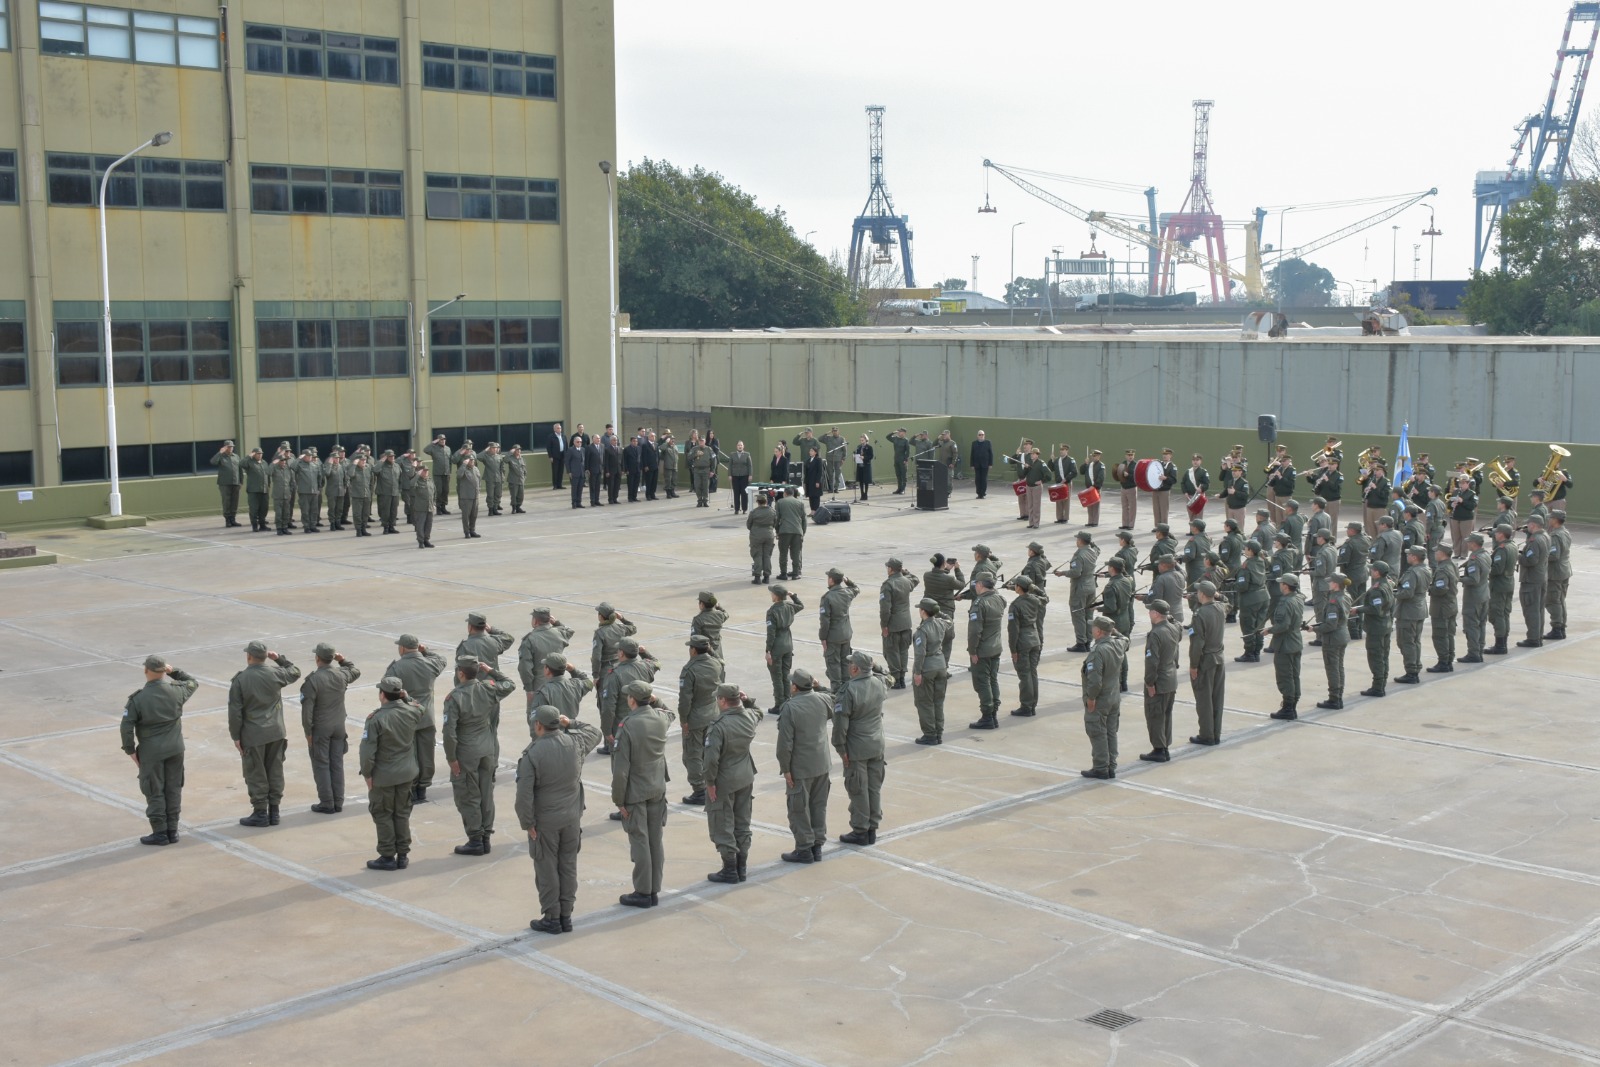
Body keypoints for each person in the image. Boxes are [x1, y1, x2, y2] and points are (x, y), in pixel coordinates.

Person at [517, 706, 602, 933]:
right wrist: (570, 723)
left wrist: (527, 823)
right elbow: (595, 732)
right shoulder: (575, 743)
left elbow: (523, 795)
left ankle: (552, 917)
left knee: (547, 868)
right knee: (568, 865)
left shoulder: (532, 753)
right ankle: (566, 916)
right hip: (572, 818)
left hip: (546, 821)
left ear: (538, 725)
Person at [440, 656, 516, 857]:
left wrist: (451, 758)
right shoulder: (488, 688)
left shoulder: (454, 697)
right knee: (486, 793)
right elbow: (510, 684)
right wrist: (491, 670)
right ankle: (486, 838)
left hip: (467, 752)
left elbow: (449, 732)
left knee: (468, 795)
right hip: (487, 748)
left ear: (460, 673)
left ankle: (475, 839)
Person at [121, 654, 199, 845]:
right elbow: (192, 682)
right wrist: (175, 672)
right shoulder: (177, 691)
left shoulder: (138, 699)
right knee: (173, 788)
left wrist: (130, 749)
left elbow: (126, 726)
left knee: (154, 789)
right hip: (175, 748)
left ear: (146, 670)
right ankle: (173, 831)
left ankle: (160, 833)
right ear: (164, 671)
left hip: (151, 751)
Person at [612, 679, 673, 908]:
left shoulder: (628, 726)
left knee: (640, 841)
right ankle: (654, 889)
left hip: (636, 792)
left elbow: (621, 770)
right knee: (655, 840)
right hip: (657, 787)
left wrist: (618, 799)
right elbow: (670, 712)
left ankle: (643, 892)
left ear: (632, 700)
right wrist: (655, 700)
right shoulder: (660, 718)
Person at [228, 642, 302, 827]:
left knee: (256, 772)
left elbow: (235, 711)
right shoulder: (276, 673)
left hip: (253, 734)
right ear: (264, 656)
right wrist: (279, 659)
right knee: (275, 770)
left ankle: (260, 813)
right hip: (276, 731)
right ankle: (274, 812)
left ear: (249, 656)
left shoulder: (241, 680)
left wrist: (235, 736)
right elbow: (294, 671)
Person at [361, 677, 424, 871]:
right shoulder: (412, 711)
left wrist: (367, 775)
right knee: (402, 812)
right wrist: (406, 697)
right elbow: (420, 708)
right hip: (406, 772)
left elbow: (367, 752)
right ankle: (403, 854)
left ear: (382, 695)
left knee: (383, 814)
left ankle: (387, 856)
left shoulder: (376, 719)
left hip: (384, 775)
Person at [703, 684, 764, 884]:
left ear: (722, 700)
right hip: (745, 776)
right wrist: (747, 701)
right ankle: (742, 867)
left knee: (723, 823)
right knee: (742, 822)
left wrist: (710, 782)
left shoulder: (719, 726)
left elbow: (711, 759)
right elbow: (758, 712)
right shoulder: (748, 717)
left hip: (724, 781)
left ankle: (729, 869)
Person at [776, 669, 833, 862]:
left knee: (799, 809)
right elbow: (835, 696)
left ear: (794, 687)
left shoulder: (790, 708)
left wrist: (785, 769)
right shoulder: (823, 699)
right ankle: (817, 846)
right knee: (819, 806)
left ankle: (804, 849)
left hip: (800, 767)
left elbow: (785, 744)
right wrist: (819, 687)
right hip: (822, 763)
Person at [834, 651, 889, 845]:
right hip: (877, 744)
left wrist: (841, 749)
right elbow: (888, 676)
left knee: (858, 789)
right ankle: (872, 827)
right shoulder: (879, 683)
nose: (849, 666)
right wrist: (876, 666)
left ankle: (860, 830)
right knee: (874, 788)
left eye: (851, 664)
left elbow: (841, 724)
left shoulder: (848, 690)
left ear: (856, 668)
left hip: (856, 747)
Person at [383, 635, 448, 802]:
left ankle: (411, 787)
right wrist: (425, 651)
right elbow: (441, 659)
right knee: (426, 753)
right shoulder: (430, 664)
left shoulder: (396, 668)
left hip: (406, 718)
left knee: (408, 754)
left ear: (403, 648)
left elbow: (387, 688)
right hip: (426, 716)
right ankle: (423, 787)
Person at [300, 643, 360, 814]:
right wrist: (343, 660)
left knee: (321, 764)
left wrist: (308, 733)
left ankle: (327, 802)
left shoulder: (313, 681)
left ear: (317, 658)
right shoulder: (341, 674)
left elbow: (307, 712)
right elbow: (355, 671)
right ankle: (338, 801)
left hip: (321, 728)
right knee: (337, 763)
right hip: (339, 726)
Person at [677, 634, 722, 805]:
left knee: (692, 755)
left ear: (694, 650)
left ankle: (699, 789)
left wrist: (684, 720)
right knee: (708, 751)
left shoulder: (689, 670)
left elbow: (685, 699)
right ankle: (712, 782)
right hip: (712, 713)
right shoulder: (716, 663)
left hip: (695, 718)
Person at [1081, 616, 1127, 778]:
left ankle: (1101, 767)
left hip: (1101, 699)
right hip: (1114, 697)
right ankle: (1111, 765)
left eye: (1094, 627)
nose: (1091, 629)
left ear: (1099, 632)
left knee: (1097, 731)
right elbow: (1125, 639)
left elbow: (1095, 680)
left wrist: (1091, 698)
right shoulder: (1118, 644)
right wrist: (1113, 630)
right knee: (1111, 731)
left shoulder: (1098, 651)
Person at [1139, 599, 1181, 762]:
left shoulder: (1156, 633)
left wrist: (1150, 683)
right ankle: (1165, 747)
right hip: (1171, 679)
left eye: (1151, 611)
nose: (1149, 613)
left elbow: (1152, 662)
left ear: (1156, 614)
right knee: (1166, 715)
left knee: (1155, 716)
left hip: (1159, 681)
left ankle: (1159, 749)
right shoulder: (1174, 628)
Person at [601, 638, 658, 756]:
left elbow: (608, 707)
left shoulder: (615, 675)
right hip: (644, 721)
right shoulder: (646, 667)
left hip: (623, 725)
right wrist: (644, 652)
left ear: (621, 653)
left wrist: (607, 731)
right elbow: (656, 662)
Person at [1188, 581, 1227, 746]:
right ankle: (1215, 733)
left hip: (1206, 661)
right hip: (1219, 657)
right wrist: (1216, 595)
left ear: (1202, 594)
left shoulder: (1199, 615)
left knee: (1204, 699)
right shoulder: (1221, 608)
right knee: (1217, 698)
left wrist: (1193, 665)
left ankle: (1206, 734)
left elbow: (1197, 643)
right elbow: (1227, 601)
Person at [966, 574, 1006, 730]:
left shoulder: (979, 604)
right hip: (995, 647)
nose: (975, 586)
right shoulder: (999, 599)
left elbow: (975, 631)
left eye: (976, 584)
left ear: (981, 585)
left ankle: (987, 716)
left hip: (982, 650)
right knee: (993, 680)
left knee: (982, 683)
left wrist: (973, 650)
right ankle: (993, 712)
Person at [1265, 574, 1306, 720]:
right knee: (1294, 675)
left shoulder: (1285, 602)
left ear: (1286, 586)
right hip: (1296, 642)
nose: (1280, 585)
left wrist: (1268, 630)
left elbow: (1283, 625)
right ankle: (1292, 705)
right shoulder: (1299, 598)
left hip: (1285, 643)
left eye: (1282, 583)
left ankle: (1288, 707)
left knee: (1285, 677)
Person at [1005, 575, 1046, 717]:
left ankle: (1026, 706)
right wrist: (1034, 588)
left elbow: (1013, 630)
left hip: (1022, 641)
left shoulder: (1015, 605)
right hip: (1034, 638)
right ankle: (1032, 704)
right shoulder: (1035, 600)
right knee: (1032, 673)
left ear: (1018, 587)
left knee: (1025, 675)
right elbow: (1045, 598)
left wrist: (1013, 649)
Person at [911, 597, 950, 745]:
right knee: (938, 701)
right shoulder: (941, 623)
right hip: (940, 665)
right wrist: (939, 613)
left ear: (923, 612)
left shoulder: (922, 630)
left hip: (927, 668)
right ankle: (938, 732)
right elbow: (949, 621)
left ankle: (930, 734)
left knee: (924, 702)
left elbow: (920, 653)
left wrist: (918, 672)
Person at [517, 607, 574, 707]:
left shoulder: (529, 640)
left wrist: (529, 689)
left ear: (535, 621)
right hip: (558, 682)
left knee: (538, 717)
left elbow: (525, 668)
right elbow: (570, 631)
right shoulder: (559, 633)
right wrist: (556, 622)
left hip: (539, 685)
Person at [590, 601, 637, 723]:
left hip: (607, 670)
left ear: (601, 616)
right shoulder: (621, 628)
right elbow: (633, 628)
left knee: (606, 703)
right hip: (622, 666)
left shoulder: (600, 633)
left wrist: (595, 675)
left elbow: (596, 656)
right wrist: (622, 618)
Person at [1354, 561, 1395, 697]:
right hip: (1385, 625)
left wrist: (1358, 610)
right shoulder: (1388, 583)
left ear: (1377, 572)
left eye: (1373, 570)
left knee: (1376, 657)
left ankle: (1378, 687)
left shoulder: (1377, 590)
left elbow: (1375, 609)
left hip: (1377, 627)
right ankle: (1381, 683)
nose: (1371, 571)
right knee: (1384, 656)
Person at [1393, 545, 1431, 684]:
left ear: (1414, 557)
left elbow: (1407, 593)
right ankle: (1415, 666)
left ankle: (1411, 671)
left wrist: (1393, 593)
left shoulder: (1412, 573)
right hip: (1419, 609)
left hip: (1408, 611)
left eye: (1409, 554)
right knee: (1415, 641)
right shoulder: (1425, 569)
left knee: (1406, 642)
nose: (1407, 556)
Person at [879, 557, 919, 689]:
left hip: (893, 624)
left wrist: (884, 625)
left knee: (891, 651)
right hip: (906, 623)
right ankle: (901, 678)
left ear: (890, 569)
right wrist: (906, 572)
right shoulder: (906, 581)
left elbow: (885, 609)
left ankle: (896, 679)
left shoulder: (888, 584)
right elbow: (916, 579)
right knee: (903, 650)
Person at [819, 568, 860, 691]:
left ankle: (837, 692)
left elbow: (825, 621)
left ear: (831, 580)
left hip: (833, 636)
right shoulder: (847, 592)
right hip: (846, 634)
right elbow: (856, 589)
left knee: (833, 665)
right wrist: (848, 582)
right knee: (845, 662)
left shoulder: (827, 597)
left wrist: (823, 637)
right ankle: (847, 689)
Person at [1057, 531, 1099, 652]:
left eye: (1077, 539)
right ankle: (1088, 641)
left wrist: (1063, 573)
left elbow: (1076, 573)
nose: (1076, 541)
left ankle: (1081, 642)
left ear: (1080, 541)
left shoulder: (1079, 555)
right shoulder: (1092, 551)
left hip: (1080, 587)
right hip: (1091, 585)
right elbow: (1098, 549)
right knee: (1088, 615)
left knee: (1078, 615)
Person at [765, 584, 803, 713]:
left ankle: (779, 704)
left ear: (776, 596)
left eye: (772, 593)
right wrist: (794, 596)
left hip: (777, 646)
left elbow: (771, 633)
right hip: (788, 644)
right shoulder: (789, 606)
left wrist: (768, 651)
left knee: (777, 677)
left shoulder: (772, 611)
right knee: (786, 675)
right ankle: (787, 700)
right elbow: (801, 605)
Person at [924, 553, 964, 665]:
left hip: (930, 611)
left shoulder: (926, 575)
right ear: (943, 563)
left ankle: (929, 665)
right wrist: (957, 569)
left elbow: (939, 577)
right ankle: (943, 667)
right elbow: (961, 584)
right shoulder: (949, 579)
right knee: (946, 640)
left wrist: (946, 569)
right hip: (945, 613)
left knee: (930, 640)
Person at [1425, 543, 1460, 673]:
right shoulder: (1452, 565)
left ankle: (1443, 662)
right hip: (1451, 604)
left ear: (1442, 553)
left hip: (1441, 607)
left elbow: (1441, 589)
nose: (1435, 554)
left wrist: (1429, 588)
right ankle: (1449, 659)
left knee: (1440, 635)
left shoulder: (1442, 570)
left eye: (1437, 552)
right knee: (1449, 634)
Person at [1518, 514, 1550, 647]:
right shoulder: (1546, 536)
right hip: (1541, 576)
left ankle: (1533, 638)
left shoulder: (1534, 540)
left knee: (1531, 609)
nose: (1528, 526)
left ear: (1534, 525)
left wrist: (1518, 556)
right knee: (1538, 609)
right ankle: (1537, 635)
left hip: (1531, 579)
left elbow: (1531, 560)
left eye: (1529, 524)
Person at [1458, 532, 1491, 663]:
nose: (1467, 544)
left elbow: (1473, 579)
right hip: (1484, 594)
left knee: (1471, 625)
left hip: (1474, 596)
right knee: (1481, 624)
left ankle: (1473, 653)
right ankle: (1479, 649)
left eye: (1469, 542)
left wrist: (1459, 578)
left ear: (1474, 544)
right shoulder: (1485, 555)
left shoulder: (1474, 560)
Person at [1546, 510, 1571, 641]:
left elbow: (1553, 555)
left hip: (1555, 572)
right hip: (1565, 570)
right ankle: (1561, 627)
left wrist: (1541, 556)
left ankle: (1557, 628)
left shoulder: (1556, 536)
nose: (1549, 519)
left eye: (1551, 518)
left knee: (1553, 600)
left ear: (1555, 520)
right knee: (1561, 600)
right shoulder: (1565, 532)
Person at [691, 590, 729, 669]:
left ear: (702, 604)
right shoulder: (719, 615)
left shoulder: (698, 620)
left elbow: (695, 640)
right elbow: (726, 614)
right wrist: (719, 607)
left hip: (704, 655)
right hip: (718, 652)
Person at [776, 487, 808, 579]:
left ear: (785, 493)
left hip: (784, 530)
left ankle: (783, 573)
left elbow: (777, 518)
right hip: (797, 531)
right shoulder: (800, 503)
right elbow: (804, 520)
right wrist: (803, 532)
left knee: (783, 553)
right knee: (796, 553)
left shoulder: (780, 502)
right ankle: (796, 573)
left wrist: (777, 530)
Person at [209, 440, 243, 528]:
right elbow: (213, 462)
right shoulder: (221, 456)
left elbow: (240, 470)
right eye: (229, 447)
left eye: (232, 447)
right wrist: (219, 453)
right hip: (224, 483)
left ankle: (233, 519)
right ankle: (227, 520)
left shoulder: (236, 457)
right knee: (226, 501)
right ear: (225, 447)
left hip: (235, 482)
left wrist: (241, 481)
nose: (231, 448)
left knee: (235, 501)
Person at [747, 490, 778, 583]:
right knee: (767, 556)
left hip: (756, 535)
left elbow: (749, 525)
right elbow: (775, 524)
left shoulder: (754, 512)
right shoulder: (772, 511)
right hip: (769, 534)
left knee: (757, 555)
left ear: (758, 502)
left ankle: (757, 577)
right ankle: (767, 577)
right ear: (766, 501)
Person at [1020, 445, 1050, 529]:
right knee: (1030, 505)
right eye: (1031, 454)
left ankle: (1036, 523)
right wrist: (1026, 468)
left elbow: (1048, 474)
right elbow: (1022, 474)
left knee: (1036, 505)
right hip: (1029, 486)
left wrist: (1042, 481)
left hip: (1036, 487)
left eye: (1033, 454)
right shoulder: (1029, 463)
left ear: (1037, 454)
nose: (1032, 455)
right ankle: (1031, 522)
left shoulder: (1041, 463)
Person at [407, 467, 435, 548]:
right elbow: (411, 485)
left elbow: (434, 492)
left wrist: (434, 503)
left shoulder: (430, 480)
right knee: (420, 525)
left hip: (430, 506)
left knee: (428, 524)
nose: (426, 472)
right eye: (424, 471)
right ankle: (421, 541)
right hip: (420, 507)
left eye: (427, 471)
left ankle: (426, 540)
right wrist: (417, 475)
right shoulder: (417, 481)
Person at [1052, 445, 1078, 523]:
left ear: (1067, 451)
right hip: (1058, 483)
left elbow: (1074, 472)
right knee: (1058, 500)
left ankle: (1065, 518)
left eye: (1063, 450)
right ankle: (1059, 517)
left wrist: (1066, 479)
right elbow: (1051, 468)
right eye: (1060, 450)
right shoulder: (1057, 460)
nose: (1061, 451)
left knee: (1066, 501)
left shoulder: (1071, 460)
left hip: (1067, 483)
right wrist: (1051, 460)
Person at [965, 429, 994, 499]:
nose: (981, 436)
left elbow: (991, 454)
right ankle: (978, 493)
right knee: (977, 479)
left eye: (982, 435)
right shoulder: (974, 443)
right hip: (977, 464)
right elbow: (972, 454)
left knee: (984, 479)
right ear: (977, 436)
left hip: (985, 464)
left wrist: (990, 464)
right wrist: (972, 464)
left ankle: (983, 493)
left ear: (984, 435)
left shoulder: (988, 443)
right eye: (979, 435)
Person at [271, 454, 295, 535]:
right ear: (278, 462)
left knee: (286, 513)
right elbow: (268, 472)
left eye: (284, 461)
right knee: (279, 513)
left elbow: (292, 482)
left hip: (286, 495)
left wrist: (290, 492)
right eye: (282, 461)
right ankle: (279, 528)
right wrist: (273, 463)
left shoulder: (288, 470)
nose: (283, 462)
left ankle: (285, 528)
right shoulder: (274, 469)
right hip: (278, 495)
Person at [726, 440, 753, 513]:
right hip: (735, 476)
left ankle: (744, 509)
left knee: (744, 493)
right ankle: (736, 509)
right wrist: (729, 475)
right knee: (736, 493)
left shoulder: (747, 454)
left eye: (741, 445)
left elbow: (750, 466)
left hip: (744, 476)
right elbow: (730, 465)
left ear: (743, 446)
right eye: (738, 445)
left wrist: (750, 475)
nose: (740, 446)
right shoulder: (732, 455)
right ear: (736, 446)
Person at [1082, 449, 1106, 526]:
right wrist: (1085, 464)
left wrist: (1095, 486)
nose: (1093, 457)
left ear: (1099, 456)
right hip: (1089, 488)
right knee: (1089, 505)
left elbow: (1101, 477)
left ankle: (1095, 522)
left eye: (1095, 456)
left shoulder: (1101, 465)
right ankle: (1090, 521)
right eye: (1093, 456)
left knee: (1095, 506)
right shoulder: (1089, 465)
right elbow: (1081, 471)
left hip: (1096, 488)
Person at [688, 435, 714, 507]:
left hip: (706, 470)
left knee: (705, 486)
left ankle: (705, 500)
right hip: (697, 470)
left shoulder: (709, 449)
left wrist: (712, 470)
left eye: (702, 441)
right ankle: (699, 500)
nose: (701, 442)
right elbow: (689, 457)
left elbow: (713, 460)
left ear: (705, 441)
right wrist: (696, 454)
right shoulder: (694, 449)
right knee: (697, 485)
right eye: (700, 441)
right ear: (698, 441)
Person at [821, 427, 847, 493]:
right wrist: (827, 433)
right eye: (833, 431)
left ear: (838, 431)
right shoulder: (828, 438)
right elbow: (820, 439)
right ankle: (831, 488)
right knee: (830, 474)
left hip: (838, 459)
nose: (835, 432)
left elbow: (844, 449)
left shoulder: (841, 439)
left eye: (836, 431)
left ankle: (836, 488)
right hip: (830, 458)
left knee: (837, 474)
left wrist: (843, 458)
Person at [565, 434, 587, 509]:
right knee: (574, 488)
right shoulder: (571, 450)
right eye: (578, 442)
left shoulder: (583, 449)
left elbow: (584, 461)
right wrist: (569, 472)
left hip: (581, 472)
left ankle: (579, 502)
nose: (579, 443)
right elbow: (567, 461)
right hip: (574, 472)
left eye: (580, 442)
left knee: (580, 488)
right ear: (574, 442)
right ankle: (573, 503)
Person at [891, 428, 912, 495]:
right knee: (898, 475)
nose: (899, 433)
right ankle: (899, 488)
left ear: (904, 433)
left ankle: (903, 489)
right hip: (896, 459)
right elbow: (887, 437)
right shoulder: (895, 439)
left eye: (901, 432)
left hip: (902, 460)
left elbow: (908, 451)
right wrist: (893, 432)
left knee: (903, 475)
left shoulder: (905, 441)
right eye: (899, 432)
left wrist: (906, 460)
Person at [545, 423, 566, 491]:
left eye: (560, 428)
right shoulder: (551, 436)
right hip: (555, 456)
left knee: (561, 471)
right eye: (558, 428)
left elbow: (566, 446)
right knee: (555, 471)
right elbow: (548, 447)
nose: (559, 429)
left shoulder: (563, 436)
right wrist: (550, 456)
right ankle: (555, 485)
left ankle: (560, 484)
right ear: (554, 429)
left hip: (562, 455)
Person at [585, 433, 604, 507]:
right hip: (592, 470)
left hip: (599, 469)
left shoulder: (602, 446)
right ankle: (592, 501)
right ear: (593, 439)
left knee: (598, 486)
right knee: (592, 486)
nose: (598, 439)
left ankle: (597, 500)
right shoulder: (589, 447)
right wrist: (587, 469)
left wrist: (603, 467)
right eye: (597, 438)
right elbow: (587, 459)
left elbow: (603, 457)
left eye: (599, 438)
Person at [854, 434, 875, 500]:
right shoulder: (859, 447)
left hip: (866, 465)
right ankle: (862, 494)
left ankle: (866, 494)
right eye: (860, 440)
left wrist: (864, 457)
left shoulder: (869, 447)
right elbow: (857, 454)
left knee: (866, 481)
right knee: (861, 481)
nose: (861, 442)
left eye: (862, 440)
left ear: (866, 440)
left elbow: (871, 456)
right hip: (860, 465)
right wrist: (855, 457)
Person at [640, 432, 659, 501]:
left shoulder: (656, 445)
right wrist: (645, 466)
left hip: (655, 466)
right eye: (652, 436)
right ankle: (648, 495)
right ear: (649, 437)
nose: (653, 437)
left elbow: (657, 455)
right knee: (649, 481)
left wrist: (658, 464)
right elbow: (644, 456)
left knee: (654, 481)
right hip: (649, 466)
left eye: (654, 436)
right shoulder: (645, 445)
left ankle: (653, 494)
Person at [804, 446, 824, 510]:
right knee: (811, 496)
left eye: (812, 451)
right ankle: (812, 510)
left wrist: (818, 481)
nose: (810, 452)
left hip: (815, 481)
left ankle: (816, 510)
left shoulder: (818, 460)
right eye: (810, 451)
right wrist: (805, 481)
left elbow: (819, 471)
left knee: (815, 496)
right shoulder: (808, 460)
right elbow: (806, 471)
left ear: (815, 452)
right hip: (809, 481)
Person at [624, 435, 643, 503]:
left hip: (637, 469)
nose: (635, 442)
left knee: (636, 484)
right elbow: (625, 460)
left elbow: (640, 458)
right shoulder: (627, 449)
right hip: (630, 469)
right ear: (631, 442)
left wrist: (641, 467)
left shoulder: (639, 448)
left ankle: (635, 497)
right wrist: (626, 470)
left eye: (636, 441)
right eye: (634, 441)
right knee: (630, 484)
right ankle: (630, 497)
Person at [659, 431, 678, 498]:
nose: (673, 440)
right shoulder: (666, 446)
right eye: (671, 439)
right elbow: (661, 448)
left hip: (674, 466)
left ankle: (672, 492)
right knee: (668, 480)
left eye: (673, 439)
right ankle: (668, 493)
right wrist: (666, 442)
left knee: (674, 480)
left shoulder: (675, 446)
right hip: (668, 466)